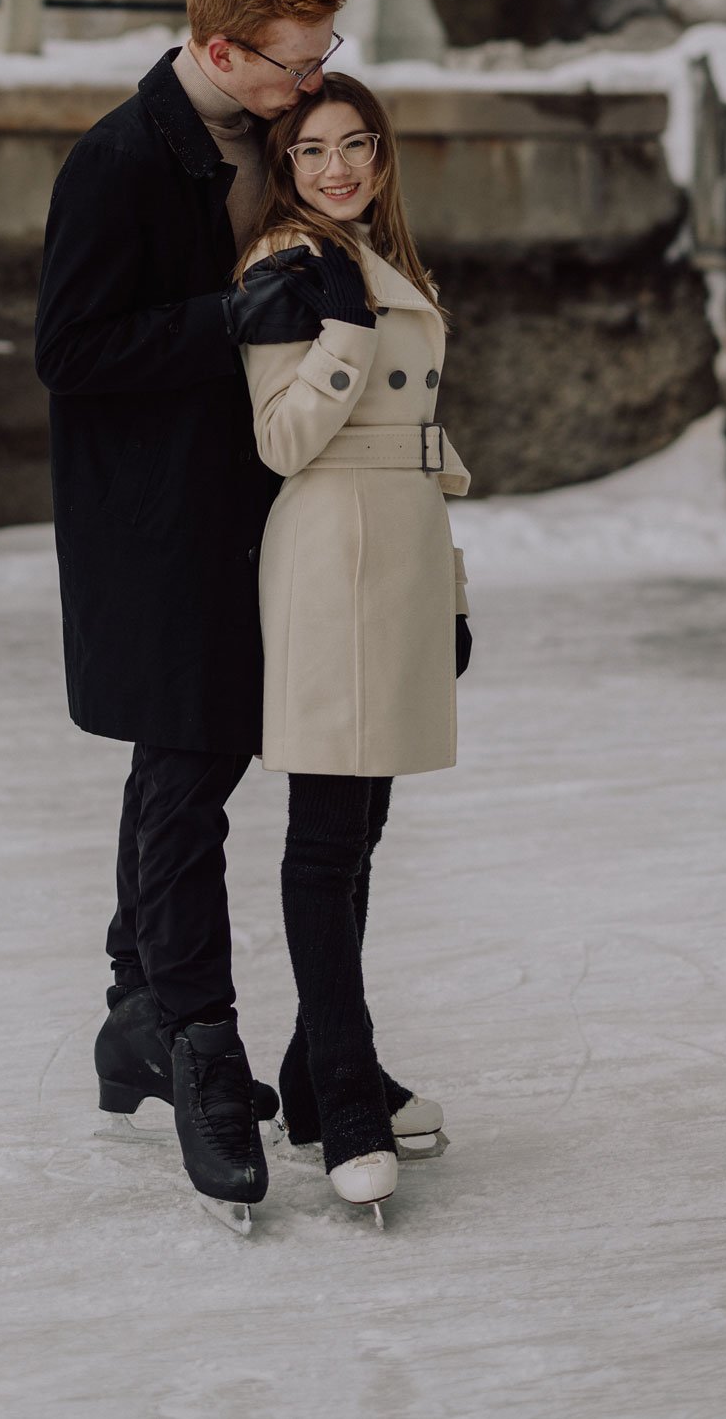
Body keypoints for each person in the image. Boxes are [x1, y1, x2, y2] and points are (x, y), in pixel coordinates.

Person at [33, 0, 358, 1224]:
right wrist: (229, 321)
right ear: (219, 48)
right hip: (155, 519)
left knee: (195, 754)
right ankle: (193, 1041)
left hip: (255, 502)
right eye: (291, 59)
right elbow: (70, 349)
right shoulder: (116, 161)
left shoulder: (271, 135)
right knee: (184, 762)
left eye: (323, 50)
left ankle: (137, 1006)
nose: (312, 77)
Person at [235, 71, 472, 1221]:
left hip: (406, 551)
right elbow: (281, 441)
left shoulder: (383, 258)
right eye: (313, 150)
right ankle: (344, 1089)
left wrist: (457, 591)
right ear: (283, 167)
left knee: (363, 830)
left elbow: (425, 439)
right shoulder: (291, 271)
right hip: (333, 553)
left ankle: (316, 1076)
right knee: (326, 840)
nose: (338, 168)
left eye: (356, 145)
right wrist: (338, 328)